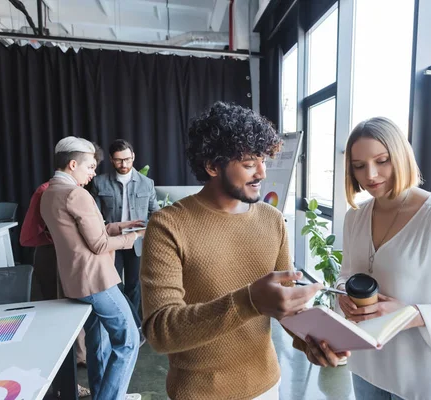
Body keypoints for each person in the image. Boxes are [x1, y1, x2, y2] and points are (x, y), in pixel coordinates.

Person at [300, 117, 431, 399]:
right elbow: (348, 274)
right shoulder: (355, 217)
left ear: (401, 157)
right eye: (359, 166)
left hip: (424, 376)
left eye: (382, 160)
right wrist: (343, 293)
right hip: (367, 367)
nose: (371, 175)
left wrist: (413, 315)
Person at [140, 101, 326, 400]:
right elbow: (161, 332)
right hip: (200, 393)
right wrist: (248, 301)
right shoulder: (168, 226)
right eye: (249, 163)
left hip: (267, 385)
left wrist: (314, 341)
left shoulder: (273, 220)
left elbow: (286, 306)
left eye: (263, 160)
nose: (262, 173)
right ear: (212, 166)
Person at [40, 136, 144, 400]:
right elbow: (98, 245)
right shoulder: (77, 194)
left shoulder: (49, 193)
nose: (93, 173)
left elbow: (84, 236)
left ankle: (102, 393)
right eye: (90, 167)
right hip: (97, 280)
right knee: (129, 339)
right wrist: (134, 237)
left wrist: (120, 226)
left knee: (98, 343)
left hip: (75, 281)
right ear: (73, 164)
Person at [90, 139, 159, 326]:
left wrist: (147, 230)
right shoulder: (99, 182)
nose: (124, 164)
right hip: (110, 242)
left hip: (136, 242)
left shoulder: (147, 183)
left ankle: (132, 325)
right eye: (119, 160)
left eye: (128, 159)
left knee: (134, 285)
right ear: (112, 160)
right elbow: (94, 216)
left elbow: (156, 214)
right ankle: (132, 322)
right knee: (113, 286)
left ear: (133, 156)